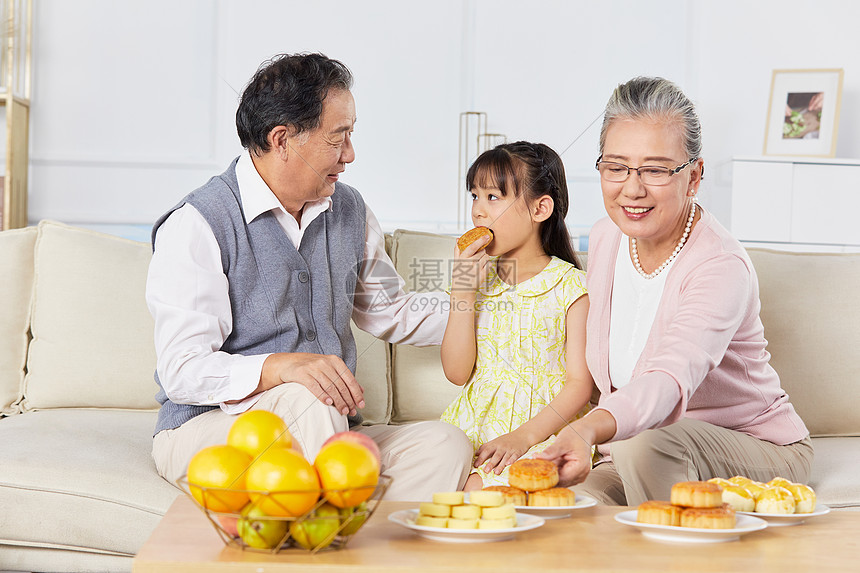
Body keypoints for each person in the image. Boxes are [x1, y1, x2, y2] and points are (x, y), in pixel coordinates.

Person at [145, 53, 472, 500]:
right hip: (212, 432)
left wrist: (492, 306)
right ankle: (334, 538)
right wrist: (281, 367)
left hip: (323, 429)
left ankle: (349, 537)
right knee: (309, 399)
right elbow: (183, 371)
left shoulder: (349, 209)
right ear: (283, 140)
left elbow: (389, 310)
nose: (350, 155)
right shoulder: (198, 223)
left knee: (445, 444)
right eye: (339, 137)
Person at [538, 77, 813, 506]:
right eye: (617, 167)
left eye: (655, 169)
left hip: (750, 445)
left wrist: (588, 428)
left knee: (645, 444)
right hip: (628, 448)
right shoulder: (607, 237)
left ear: (695, 176)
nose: (632, 188)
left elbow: (669, 376)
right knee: (566, 509)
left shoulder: (720, 264)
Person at [440, 141, 594, 490]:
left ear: (540, 209)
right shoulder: (478, 280)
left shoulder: (572, 287)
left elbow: (580, 385)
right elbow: (456, 371)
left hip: (538, 431)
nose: (478, 211)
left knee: (484, 496)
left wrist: (522, 438)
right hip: (472, 428)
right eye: (475, 197)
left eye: (493, 197)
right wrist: (463, 290)